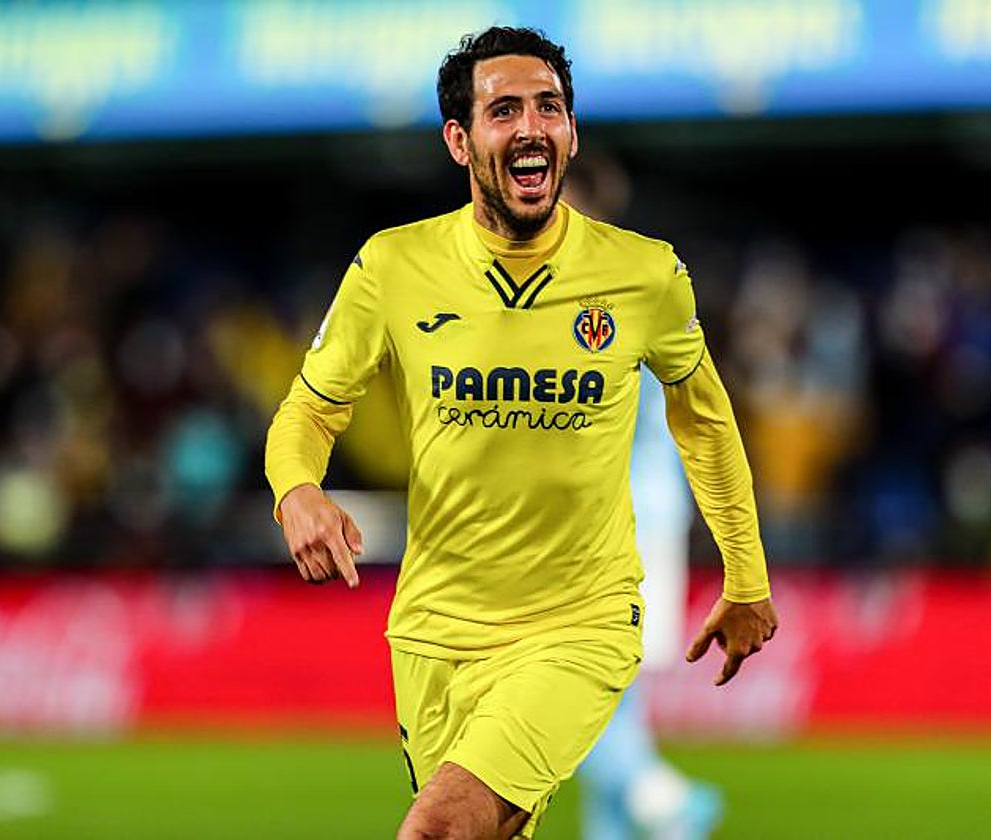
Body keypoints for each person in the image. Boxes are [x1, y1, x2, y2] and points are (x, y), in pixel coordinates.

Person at [265, 26, 777, 840]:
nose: (533, 126)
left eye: (550, 107)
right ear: (460, 141)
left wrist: (746, 578)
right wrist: (297, 489)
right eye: (505, 110)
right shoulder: (393, 266)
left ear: (571, 132)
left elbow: (705, 422)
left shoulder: (645, 273)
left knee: (436, 830)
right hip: (433, 632)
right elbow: (308, 409)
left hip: (578, 624)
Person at [578, 367, 724, 839]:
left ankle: (667, 799)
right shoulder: (659, 305)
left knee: (579, 697)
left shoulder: (608, 310)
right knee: (616, 697)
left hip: (611, 525)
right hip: (653, 515)